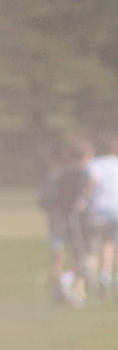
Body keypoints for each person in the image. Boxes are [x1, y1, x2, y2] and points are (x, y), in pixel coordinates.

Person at [39, 132, 93, 308]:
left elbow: (46, 201)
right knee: (77, 256)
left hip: (60, 221)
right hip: (72, 222)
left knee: (60, 256)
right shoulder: (80, 174)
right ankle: (66, 285)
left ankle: (61, 287)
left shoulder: (59, 175)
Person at [83, 129, 118, 302]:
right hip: (116, 211)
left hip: (98, 211)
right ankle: (106, 277)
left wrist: (83, 200)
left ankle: (90, 278)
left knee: (93, 247)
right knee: (110, 245)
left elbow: (92, 181)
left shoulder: (95, 164)